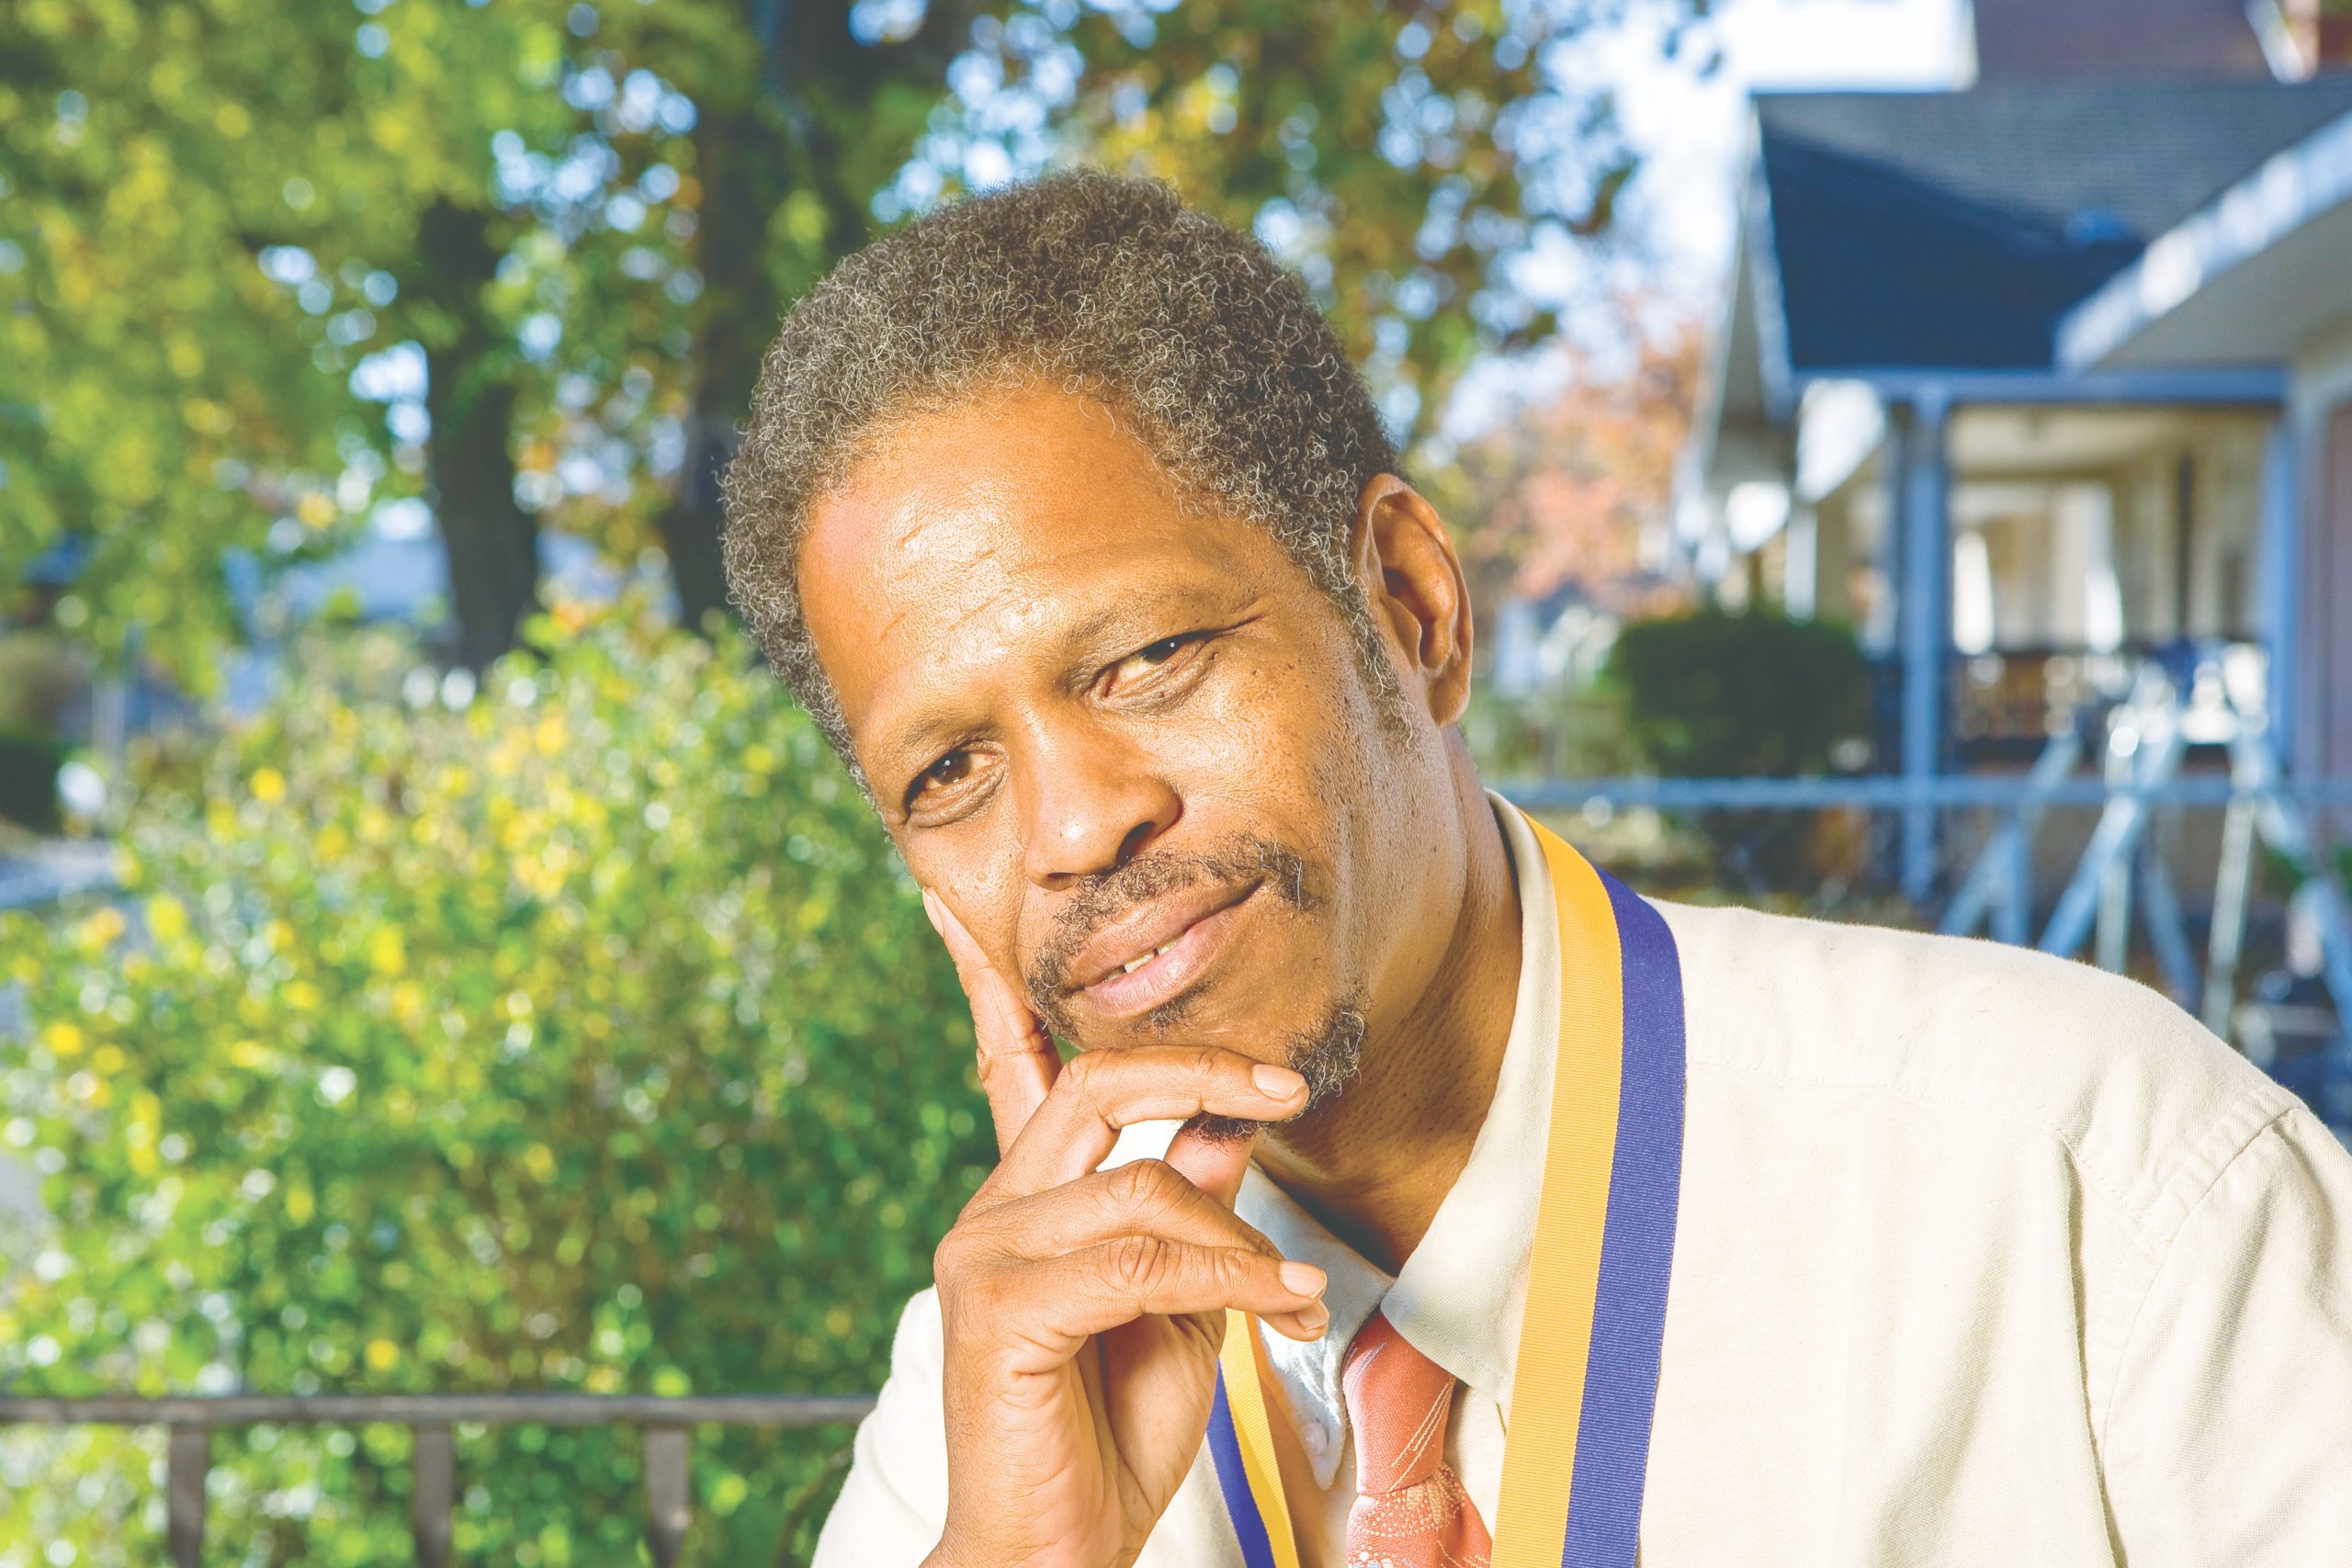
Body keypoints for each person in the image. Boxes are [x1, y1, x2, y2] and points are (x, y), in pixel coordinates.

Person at [718, 173, 2352, 1568]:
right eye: (950, 773)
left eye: (1147, 658)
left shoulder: (2092, 1191)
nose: (1075, 828)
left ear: (1413, 610)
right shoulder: (997, 1391)